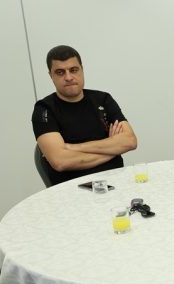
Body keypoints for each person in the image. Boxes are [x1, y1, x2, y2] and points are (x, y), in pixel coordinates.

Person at [32, 45, 137, 186]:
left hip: (116, 182)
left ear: (82, 69)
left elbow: (130, 141)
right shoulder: (44, 109)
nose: (68, 77)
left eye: (73, 70)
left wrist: (72, 147)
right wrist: (112, 149)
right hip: (73, 189)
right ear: (51, 76)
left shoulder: (103, 100)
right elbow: (60, 162)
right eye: (60, 72)